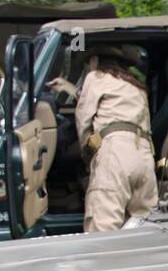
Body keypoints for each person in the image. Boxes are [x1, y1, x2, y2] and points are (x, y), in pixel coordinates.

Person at [47, 43, 157, 232]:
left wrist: (87, 157)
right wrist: (71, 90)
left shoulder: (94, 77)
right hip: (145, 159)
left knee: (102, 230)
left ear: (95, 60)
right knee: (144, 227)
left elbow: (84, 120)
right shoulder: (135, 85)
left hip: (115, 157)